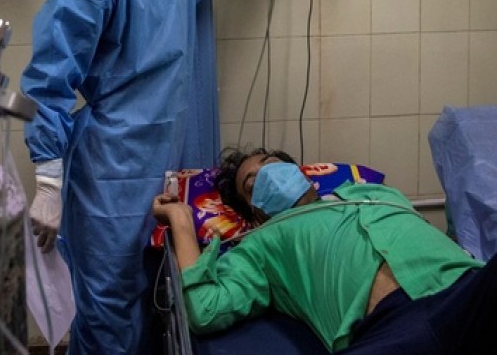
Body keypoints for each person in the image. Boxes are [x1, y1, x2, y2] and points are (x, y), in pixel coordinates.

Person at [21, 0, 340, 353]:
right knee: (109, 312)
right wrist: (47, 181)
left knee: (154, 297)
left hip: (160, 163)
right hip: (110, 177)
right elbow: (49, 80)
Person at [153, 148, 496, 354]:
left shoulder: (376, 192)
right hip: (391, 328)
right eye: (252, 182)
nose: (268, 174)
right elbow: (204, 310)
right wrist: (181, 219)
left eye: (272, 163)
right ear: (254, 211)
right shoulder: (261, 242)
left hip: (462, 290)